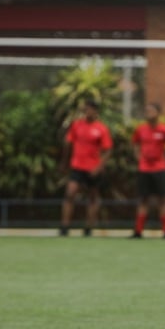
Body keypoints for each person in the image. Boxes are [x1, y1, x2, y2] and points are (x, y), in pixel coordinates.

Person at [59, 99, 112, 237]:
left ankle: (88, 228)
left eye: (90, 109)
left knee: (93, 196)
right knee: (70, 193)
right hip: (77, 166)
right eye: (86, 109)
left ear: (96, 111)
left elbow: (108, 150)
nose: (87, 112)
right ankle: (65, 227)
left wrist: (99, 167)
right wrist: (64, 162)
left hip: (93, 168)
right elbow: (68, 143)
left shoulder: (101, 128)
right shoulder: (76, 125)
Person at [131, 103, 165, 239]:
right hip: (144, 169)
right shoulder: (141, 130)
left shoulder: (163, 130)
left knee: (163, 199)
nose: (148, 113)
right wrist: (138, 156)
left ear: (158, 113)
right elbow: (135, 143)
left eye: (151, 111)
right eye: (146, 111)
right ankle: (138, 231)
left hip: (160, 169)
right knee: (143, 199)